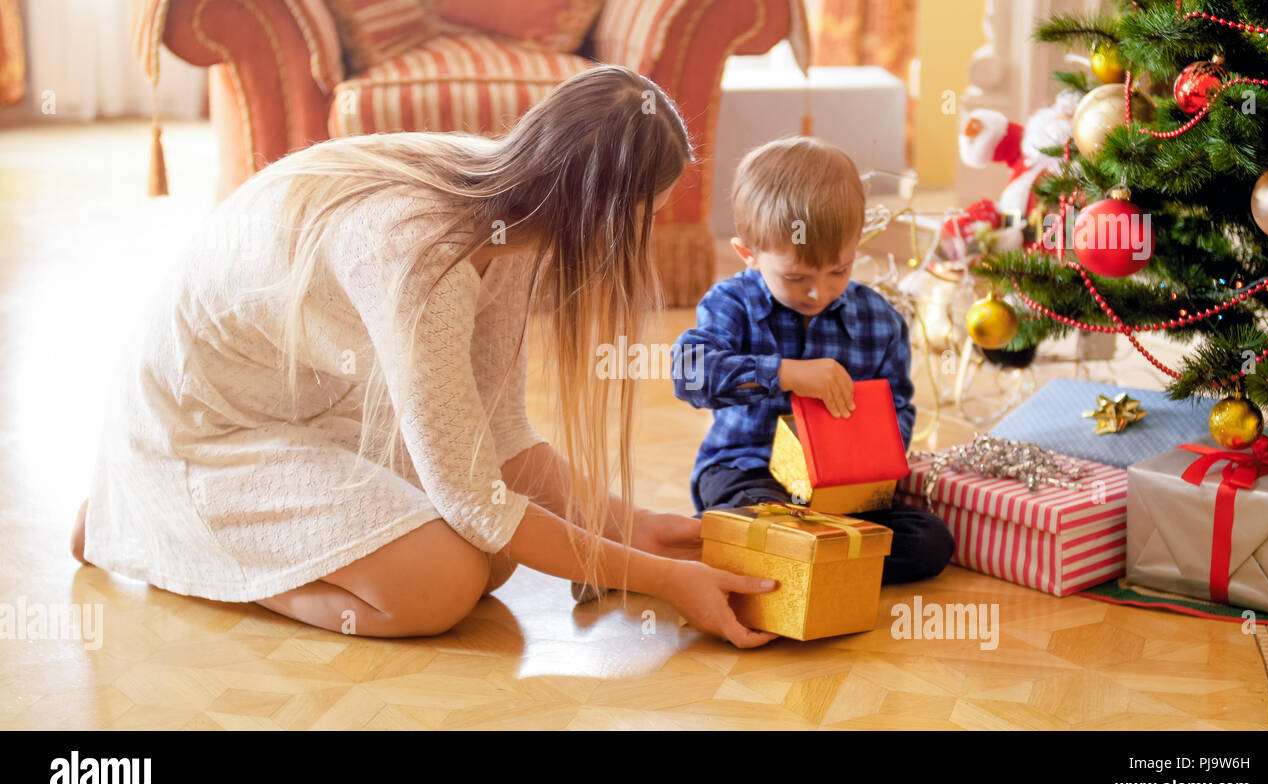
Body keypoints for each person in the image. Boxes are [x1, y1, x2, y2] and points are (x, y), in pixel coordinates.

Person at [71, 65, 780, 648]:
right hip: (205, 427)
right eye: (648, 214)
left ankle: (157, 522)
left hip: (303, 399)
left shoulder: (514, 217)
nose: (653, 231)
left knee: (493, 555)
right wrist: (661, 578)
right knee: (438, 584)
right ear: (598, 207)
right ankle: (167, 537)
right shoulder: (421, 255)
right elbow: (474, 498)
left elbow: (500, 442)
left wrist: (631, 524)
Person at [673, 136, 954, 584]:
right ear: (749, 254)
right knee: (771, 522)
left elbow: (898, 411)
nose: (817, 293)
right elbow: (690, 374)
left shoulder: (881, 321)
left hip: (840, 492)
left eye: (838, 271)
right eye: (796, 277)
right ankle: (697, 546)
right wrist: (783, 373)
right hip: (746, 472)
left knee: (929, 541)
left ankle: (791, 560)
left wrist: (867, 464)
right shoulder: (732, 303)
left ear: (857, 245)